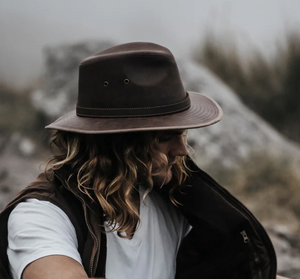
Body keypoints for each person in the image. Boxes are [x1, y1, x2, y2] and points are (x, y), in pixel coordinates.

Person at [0, 42, 287, 279]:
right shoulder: (43, 215)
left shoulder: (175, 195)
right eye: (164, 138)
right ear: (115, 143)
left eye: (182, 134)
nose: (182, 150)